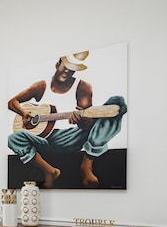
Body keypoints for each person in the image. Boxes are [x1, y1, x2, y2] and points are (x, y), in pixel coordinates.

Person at [7, 51, 127, 188]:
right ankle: (50, 171)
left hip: (71, 138)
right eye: (65, 66)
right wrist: (23, 113)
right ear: (57, 64)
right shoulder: (41, 86)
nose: (67, 71)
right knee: (12, 138)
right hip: (44, 140)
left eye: (72, 69)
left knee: (118, 102)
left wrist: (80, 121)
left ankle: (87, 165)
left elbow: (88, 124)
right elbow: (12, 102)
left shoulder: (82, 87)